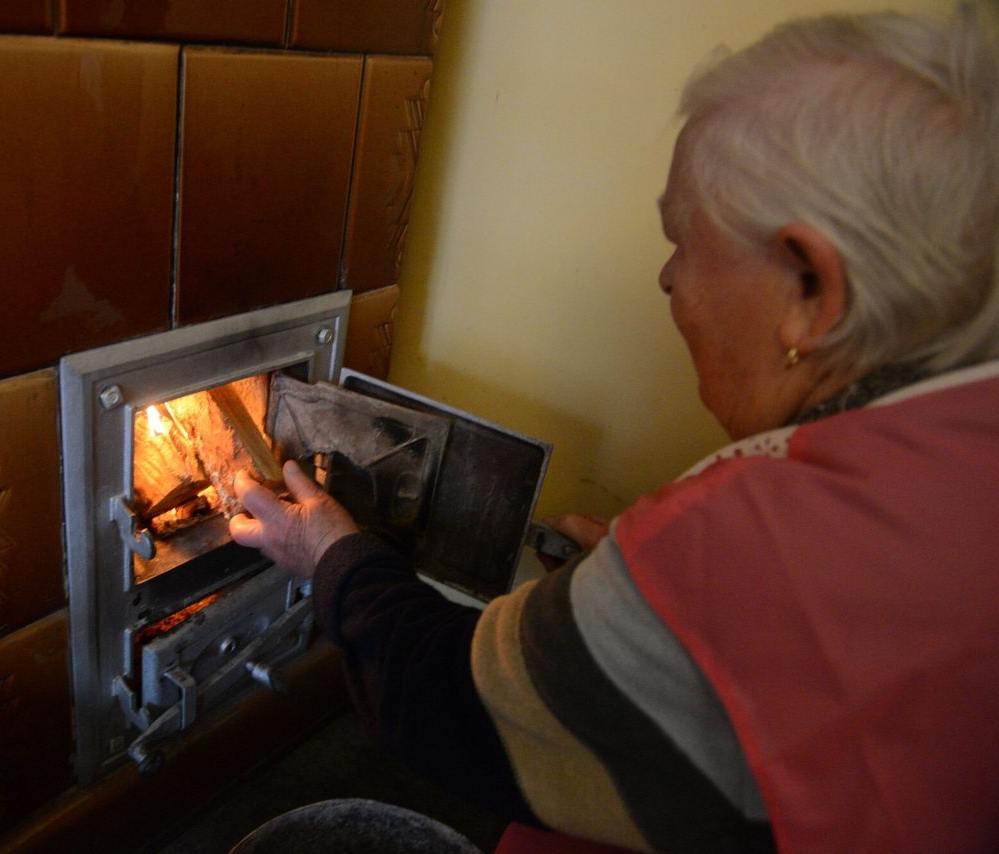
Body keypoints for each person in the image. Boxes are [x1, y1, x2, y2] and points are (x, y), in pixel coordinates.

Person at [231, 6, 999, 852]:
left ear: (812, 285)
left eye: (684, 241)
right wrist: (636, 604)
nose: (668, 280)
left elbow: (446, 705)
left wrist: (329, 551)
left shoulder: (757, 544)